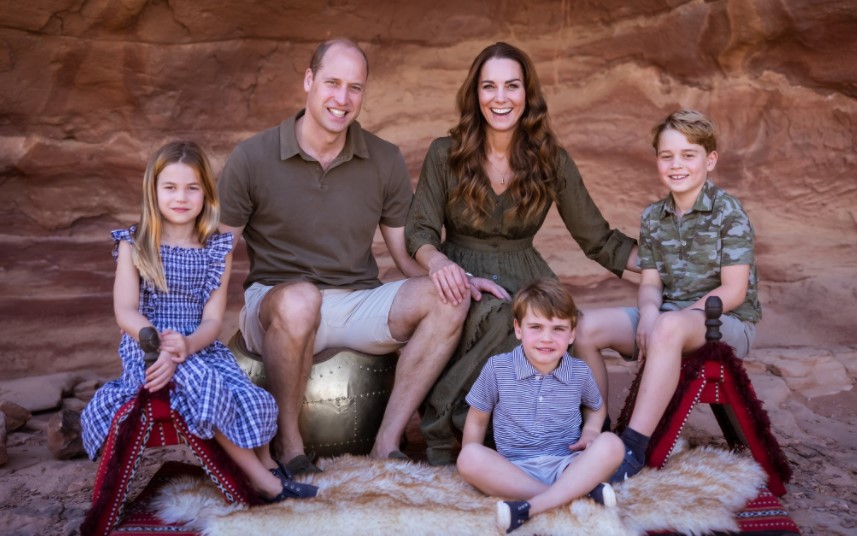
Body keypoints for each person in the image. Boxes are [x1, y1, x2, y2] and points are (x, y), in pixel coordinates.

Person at [218, 38, 471, 475]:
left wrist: (446, 273)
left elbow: (405, 255)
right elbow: (216, 257)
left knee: (450, 298)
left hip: (354, 301)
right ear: (309, 80)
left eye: (355, 87)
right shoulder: (252, 157)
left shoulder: (383, 159)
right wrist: (200, 330)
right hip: (275, 306)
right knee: (300, 301)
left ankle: (387, 441)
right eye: (332, 82)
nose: (342, 98)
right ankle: (290, 449)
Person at [405, 42, 638, 465]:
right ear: (475, 95)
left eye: (511, 86)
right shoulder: (445, 153)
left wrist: (664, 266)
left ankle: (565, 441)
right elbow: (419, 230)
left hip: (528, 272)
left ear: (526, 94)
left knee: (552, 325)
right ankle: (442, 426)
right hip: (463, 274)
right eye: (489, 87)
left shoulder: (550, 159)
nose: (500, 98)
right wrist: (439, 263)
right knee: (506, 317)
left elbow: (597, 238)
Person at [80, 141, 317, 503]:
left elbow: (211, 319)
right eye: (170, 187)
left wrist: (189, 345)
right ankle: (264, 484)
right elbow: (125, 311)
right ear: (153, 191)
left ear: (206, 193)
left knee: (251, 394)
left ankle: (268, 464)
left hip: (199, 347)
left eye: (192, 188)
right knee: (200, 381)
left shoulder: (216, 249)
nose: (181, 197)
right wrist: (156, 341)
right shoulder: (135, 245)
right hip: (147, 349)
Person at [574, 109, 762, 482]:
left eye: (688, 155)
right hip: (667, 318)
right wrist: (647, 313)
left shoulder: (729, 214)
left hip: (722, 323)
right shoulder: (653, 217)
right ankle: (598, 428)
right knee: (584, 328)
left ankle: (633, 447)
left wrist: (667, 322)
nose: (677, 165)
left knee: (668, 327)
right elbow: (651, 283)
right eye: (666, 156)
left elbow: (734, 291)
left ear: (710, 160)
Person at [457, 278, 624, 534]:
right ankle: (574, 499)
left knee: (612, 444)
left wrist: (591, 433)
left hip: (567, 466)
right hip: (513, 470)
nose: (547, 338)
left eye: (558, 329)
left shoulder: (579, 372)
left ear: (572, 334)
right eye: (536, 327)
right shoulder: (498, 368)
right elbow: (478, 418)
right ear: (518, 329)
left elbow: (596, 407)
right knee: (468, 457)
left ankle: (531, 508)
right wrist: (474, 463)